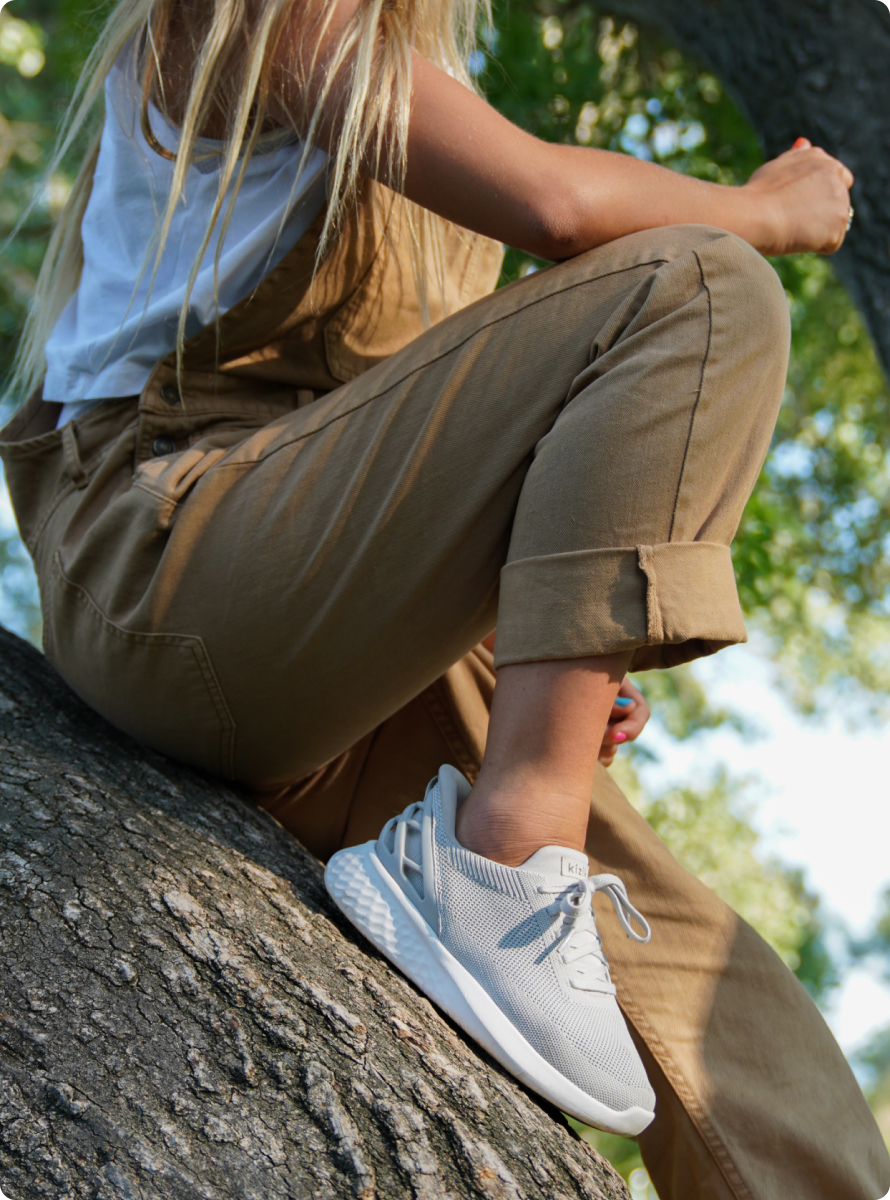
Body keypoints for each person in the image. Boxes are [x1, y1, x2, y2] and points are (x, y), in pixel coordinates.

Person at [2, 0, 886, 1195]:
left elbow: (428, 477)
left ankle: (520, 827)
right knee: (703, 289)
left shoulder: (425, 72)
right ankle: (505, 856)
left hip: (341, 656)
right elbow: (557, 207)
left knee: (757, 1069)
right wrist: (761, 210)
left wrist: (565, 655)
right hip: (179, 564)